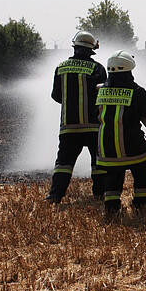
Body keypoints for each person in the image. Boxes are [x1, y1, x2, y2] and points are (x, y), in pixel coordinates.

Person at [47, 31, 108, 203]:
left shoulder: (61, 67)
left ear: (75, 47)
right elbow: (103, 95)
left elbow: (56, 95)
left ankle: (55, 195)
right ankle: (99, 194)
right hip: (93, 126)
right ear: (91, 49)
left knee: (64, 163)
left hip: (69, 126)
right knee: (98, 163)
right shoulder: (97, 68)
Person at [95, 50, 146, 218]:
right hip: (132, 146)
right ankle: (141, 202)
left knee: (112, 174)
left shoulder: (100, 91)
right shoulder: (136, 92)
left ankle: (111, 205)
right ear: (130, 70)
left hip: (106, 150)